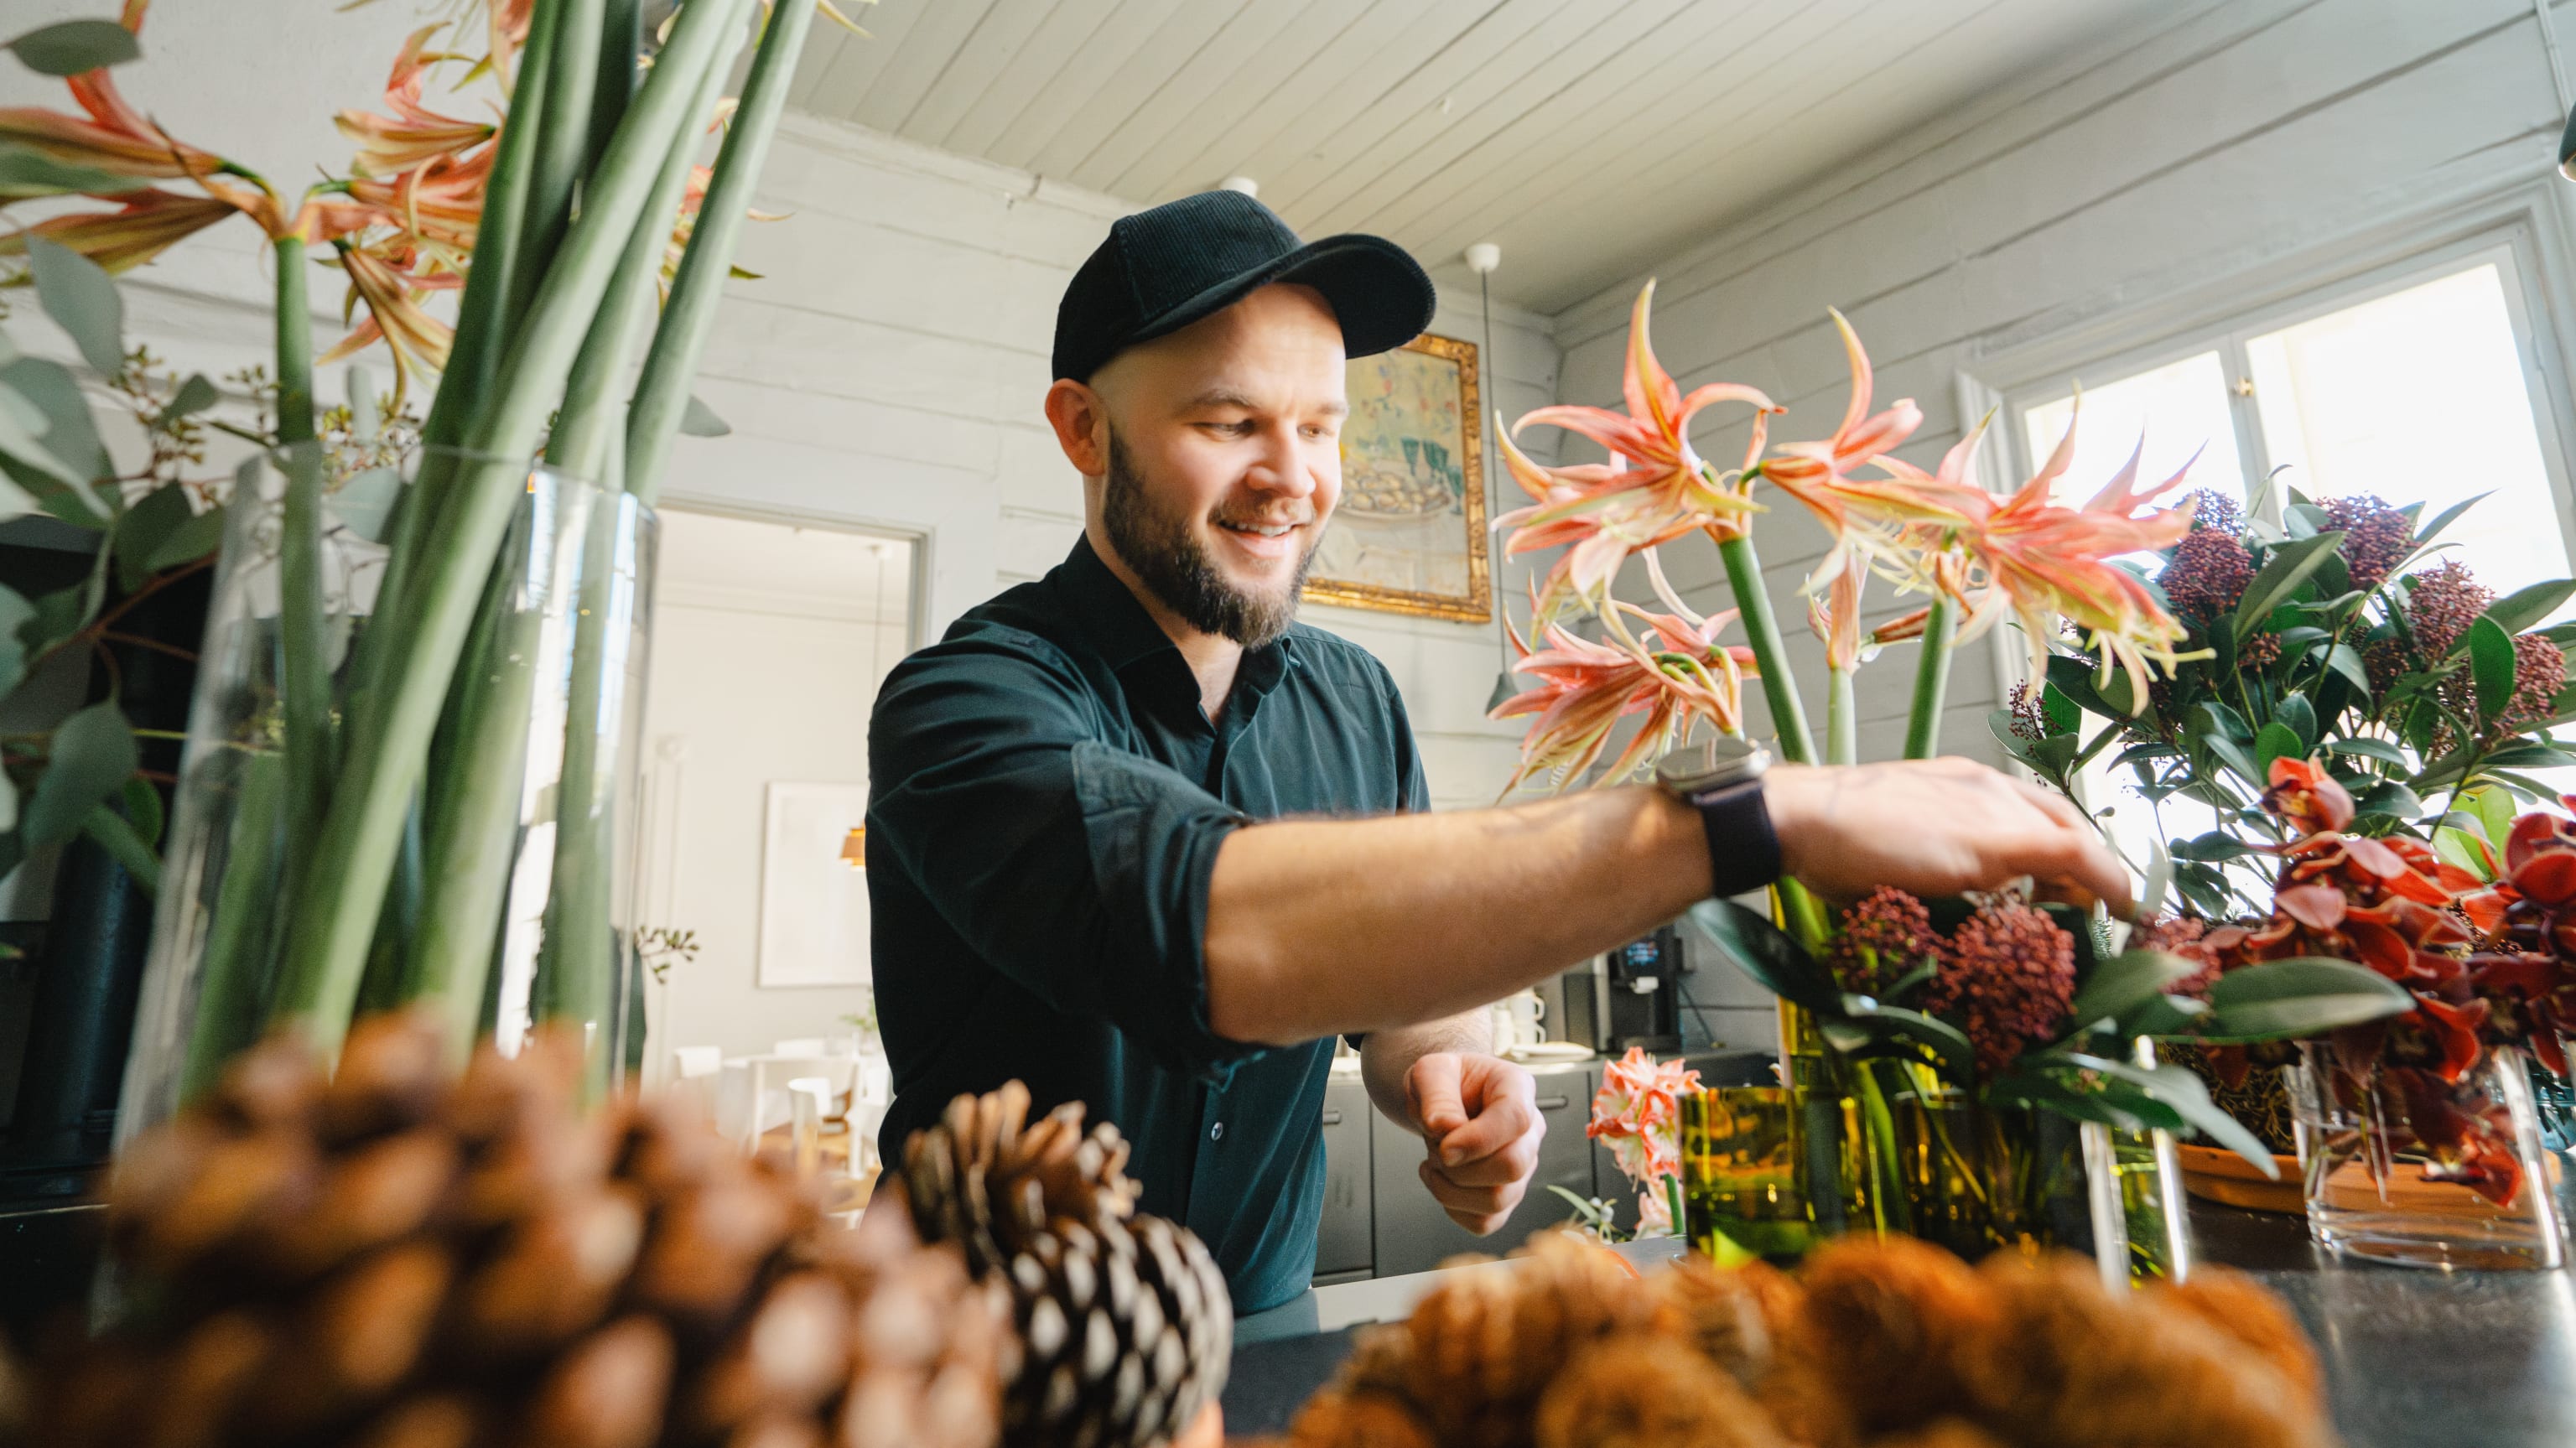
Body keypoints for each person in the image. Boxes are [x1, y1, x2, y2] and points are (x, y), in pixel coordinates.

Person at [865, 190, 2128, 1316]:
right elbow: (1206, 925)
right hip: (962, 1370)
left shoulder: (1354, 700)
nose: (1293, 478)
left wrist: (1452, 1075)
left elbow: (1406, 1004)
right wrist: (1745, 815)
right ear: (1083, 429)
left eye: (1321, 425)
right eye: (1231, 420)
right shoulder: (964, 707)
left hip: (1261, 1328)